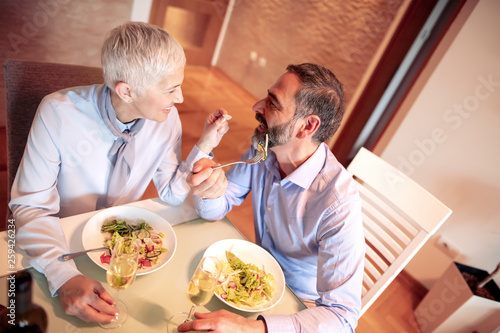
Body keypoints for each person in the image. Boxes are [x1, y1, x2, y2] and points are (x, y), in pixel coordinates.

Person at [9, 22, 229, 324]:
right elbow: (30, 207)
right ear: (126, 91)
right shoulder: (57, 114)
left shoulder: (166, 120)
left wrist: (203, 147)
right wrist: (62, 276)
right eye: (170, 89)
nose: (180, 98)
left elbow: (172, 193)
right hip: (59, 246)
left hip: (122, 248)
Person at [183, 63, 365, 332]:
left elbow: (343, 317)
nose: (257, 106)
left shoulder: (338, 203)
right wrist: (211, 190)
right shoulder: (263, 148)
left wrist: (254, 328)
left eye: (273, 103)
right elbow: (218, 206)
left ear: (307, 126)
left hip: (296, 308)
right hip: (247, 278)